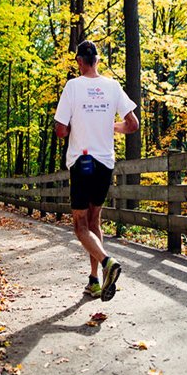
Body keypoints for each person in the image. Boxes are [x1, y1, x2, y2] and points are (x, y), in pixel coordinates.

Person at [54, 40, 139, 302]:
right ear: (98, 60)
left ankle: (107, 262)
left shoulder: (73, 86)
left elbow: (60, 129)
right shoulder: (113, 87)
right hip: (104, 163)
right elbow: (133, 124)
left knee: (80, 226)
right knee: (95, 222)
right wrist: (110, 127)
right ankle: (95, 281)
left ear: (80, 60)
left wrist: (70, 129)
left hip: (82, 162)